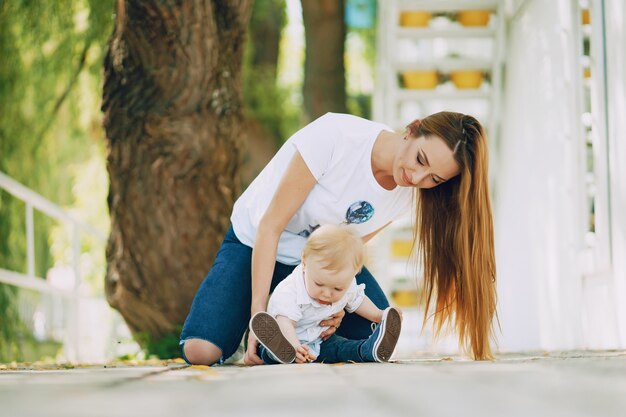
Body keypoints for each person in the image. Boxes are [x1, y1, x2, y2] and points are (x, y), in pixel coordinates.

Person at [180, 111, 496, 366]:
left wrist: (337, 306)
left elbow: (350, 250)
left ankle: (288, 344)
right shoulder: (335, 136)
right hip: (256, 244)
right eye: (421, 160)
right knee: (200, 352)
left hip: (317, 266)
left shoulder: (411, 195)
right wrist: (258, 318)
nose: (416, 178)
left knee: (373, 328)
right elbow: (270, 227)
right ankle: (258, 339)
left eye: (433, 179)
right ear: (412, 130)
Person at [248, 224, 402, 364]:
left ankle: (368, 350)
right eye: (319, 284)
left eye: (337, 289)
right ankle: (279, 353)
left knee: (340, 347)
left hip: (319, 341)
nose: (327, 294)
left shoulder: (346, 284)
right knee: (269, 352)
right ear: (304, 262)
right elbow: (285, 322)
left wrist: (379, 315)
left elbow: (358, 300)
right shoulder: (290, 290)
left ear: (354, 273)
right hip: (286, 336)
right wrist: (295, 347)